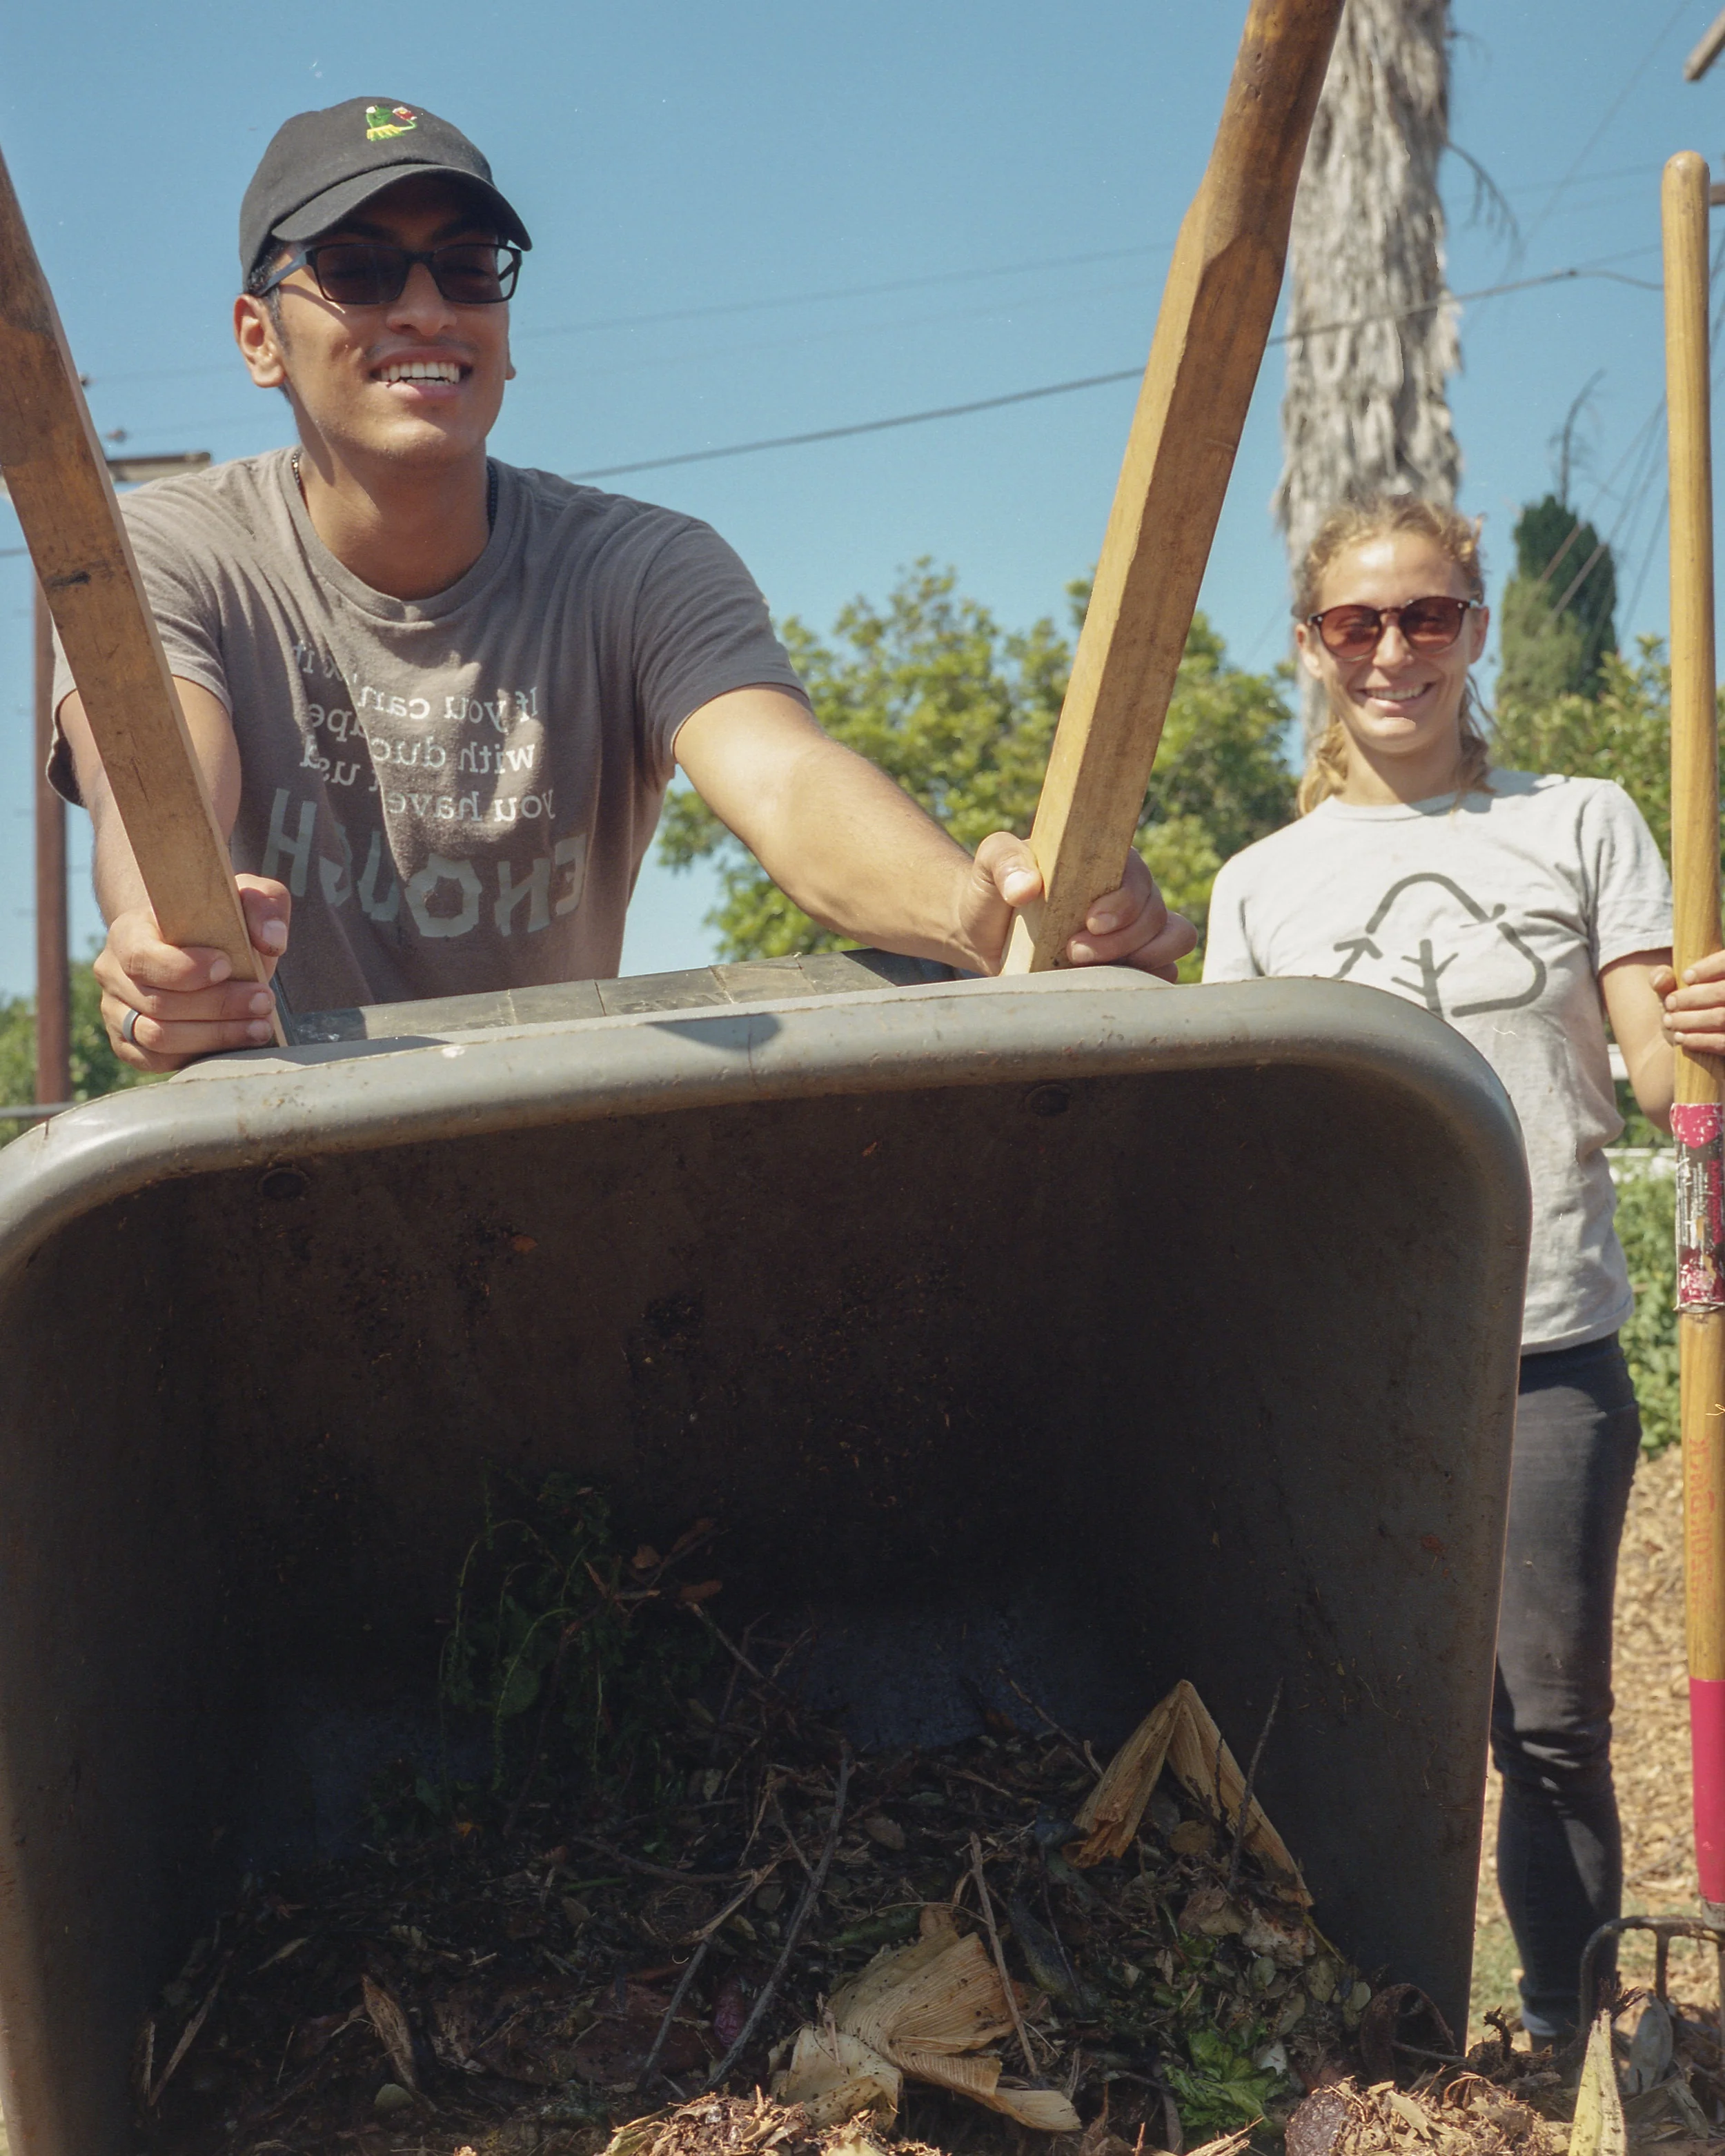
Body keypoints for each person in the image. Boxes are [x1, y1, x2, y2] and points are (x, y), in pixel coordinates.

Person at [54, 98, 1192, 1069]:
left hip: (545, 1135)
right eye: (354, 270)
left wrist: (979, 914)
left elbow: (785, 781)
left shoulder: (641, 569)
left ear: (504, 328)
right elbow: (155, 784)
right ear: (259, 337)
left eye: (465, 268)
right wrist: (166, 937)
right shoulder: (161, 553)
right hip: (269, 1148)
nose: (425, 309)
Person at [1202, 493, 1725, 2044]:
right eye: (1355, 624)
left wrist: (1694, 1041)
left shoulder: (1580, 819)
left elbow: (1648, 1069)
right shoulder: (1257, 883)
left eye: (1425, 616)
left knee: (1548, 1728)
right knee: (1375, 1724)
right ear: (1308, 647)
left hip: (1545, 1342)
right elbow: (1246, 1131)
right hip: (1351, 1363)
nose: (1391, 652)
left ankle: (1576, 2049)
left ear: (1473, 630)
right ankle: (1385, 2037)